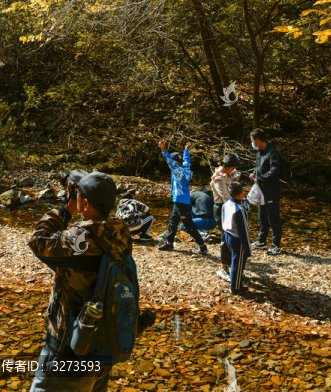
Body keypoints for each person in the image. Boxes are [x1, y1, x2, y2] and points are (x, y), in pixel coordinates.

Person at [28, 170, 133, 391]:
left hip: (69, 344)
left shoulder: (76, 239)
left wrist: (66, 209)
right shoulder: (121, 235)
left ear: (84, 203)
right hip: (103, 343)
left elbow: (38, 241)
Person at [157, 140, 207, 255]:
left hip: (180, 201)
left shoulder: (177, 171)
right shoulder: (186, 168)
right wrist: (186, 150)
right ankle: (169, 243)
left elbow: (170, 162)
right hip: (182, 200)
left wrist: (163, 150)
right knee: (173, 221)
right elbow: (187, 160)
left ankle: (202, 245)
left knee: (189, 224)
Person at [249, 128, 283, 255]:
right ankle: (261, 241)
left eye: (252, 141)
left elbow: (274, 171)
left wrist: (260, 179)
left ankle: (275, 245)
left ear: (257, 141)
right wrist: (254, 174)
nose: (251, 144)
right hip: (261, 190)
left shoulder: (272, 153)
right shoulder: (259, 152)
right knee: (262, 215)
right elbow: (259, 167)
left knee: (273, 217)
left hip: (271, 191)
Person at [221, 180, 251, 295]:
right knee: (238, 263)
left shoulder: (226, 204)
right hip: (237, 239)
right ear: (241, 194)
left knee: (235, 260)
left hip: (227, 234)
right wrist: (247, 249)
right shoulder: (239, 210)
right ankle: (236, 287)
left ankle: (236, 284)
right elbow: (244, 231)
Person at [210, 153, 241, 225]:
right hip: (221, 207)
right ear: (230, 167)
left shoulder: (227, 173)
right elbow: (226, 196)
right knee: (225, 232)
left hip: (228, 205)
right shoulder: (219, 178)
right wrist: (239, 202)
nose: (234, 170)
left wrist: (235, 181)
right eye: (233, 168)